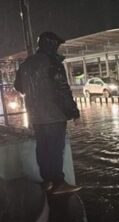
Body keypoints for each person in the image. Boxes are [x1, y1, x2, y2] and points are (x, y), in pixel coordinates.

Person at [14, 31, 82, 195]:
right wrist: (74, 112)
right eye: (56, 44)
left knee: (43, 148)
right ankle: (59, 183)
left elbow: (19, 86)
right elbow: (62, 90)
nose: (58, 48)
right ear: (51, 44)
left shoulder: (26, 64)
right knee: (55, 149)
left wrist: (35, 94)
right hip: (54, 115)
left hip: (36, 115)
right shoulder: (52, 62)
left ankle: (48, 182)